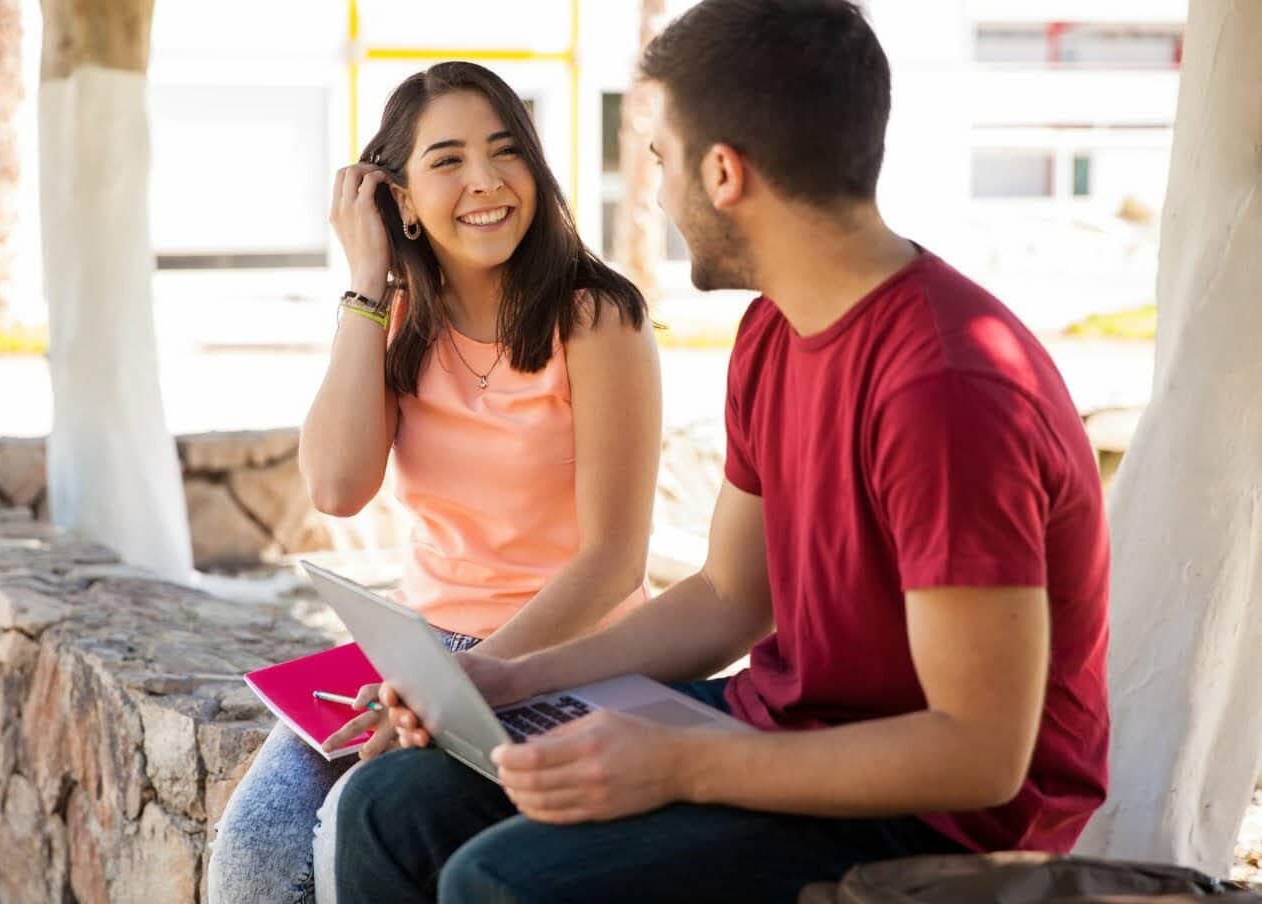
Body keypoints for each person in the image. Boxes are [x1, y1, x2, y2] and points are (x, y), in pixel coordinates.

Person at [331, 2, 1112, 902]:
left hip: (930, 811)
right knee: (391, 806)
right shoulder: (775, 332)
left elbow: (978, 755)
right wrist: (509, 679)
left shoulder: (946, 388)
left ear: (724, 173)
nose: (656, 192)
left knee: (503, 881)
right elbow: (731, 598)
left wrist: (680, 766)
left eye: (659, 158)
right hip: (781, 723)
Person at [206, 61, 662, 904]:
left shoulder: (597, 318)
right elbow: (337, 487)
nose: (485, 182)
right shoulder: (400, 319)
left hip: (559, 656)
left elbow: (613, 561)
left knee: (359, 837)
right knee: (257, 848)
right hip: (416, 650)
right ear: (402, 200)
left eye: (504, 152)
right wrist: (365, 284)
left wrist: (468, 680)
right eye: (447, 160)